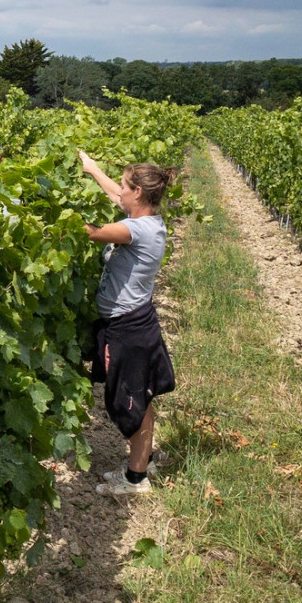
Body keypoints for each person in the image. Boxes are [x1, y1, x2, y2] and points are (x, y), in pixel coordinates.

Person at [78, 150, 178, 495]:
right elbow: (112, 195)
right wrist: (93, 170)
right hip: (132, 322)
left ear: (138, 193)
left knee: (131, 400)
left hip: (129, 328)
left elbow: (93, 233)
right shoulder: (145, 220)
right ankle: (142, 460)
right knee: (141, 397)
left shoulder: (139, 230)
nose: (118, 191)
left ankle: (136, 479)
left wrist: (37, 215)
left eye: (124, 186)